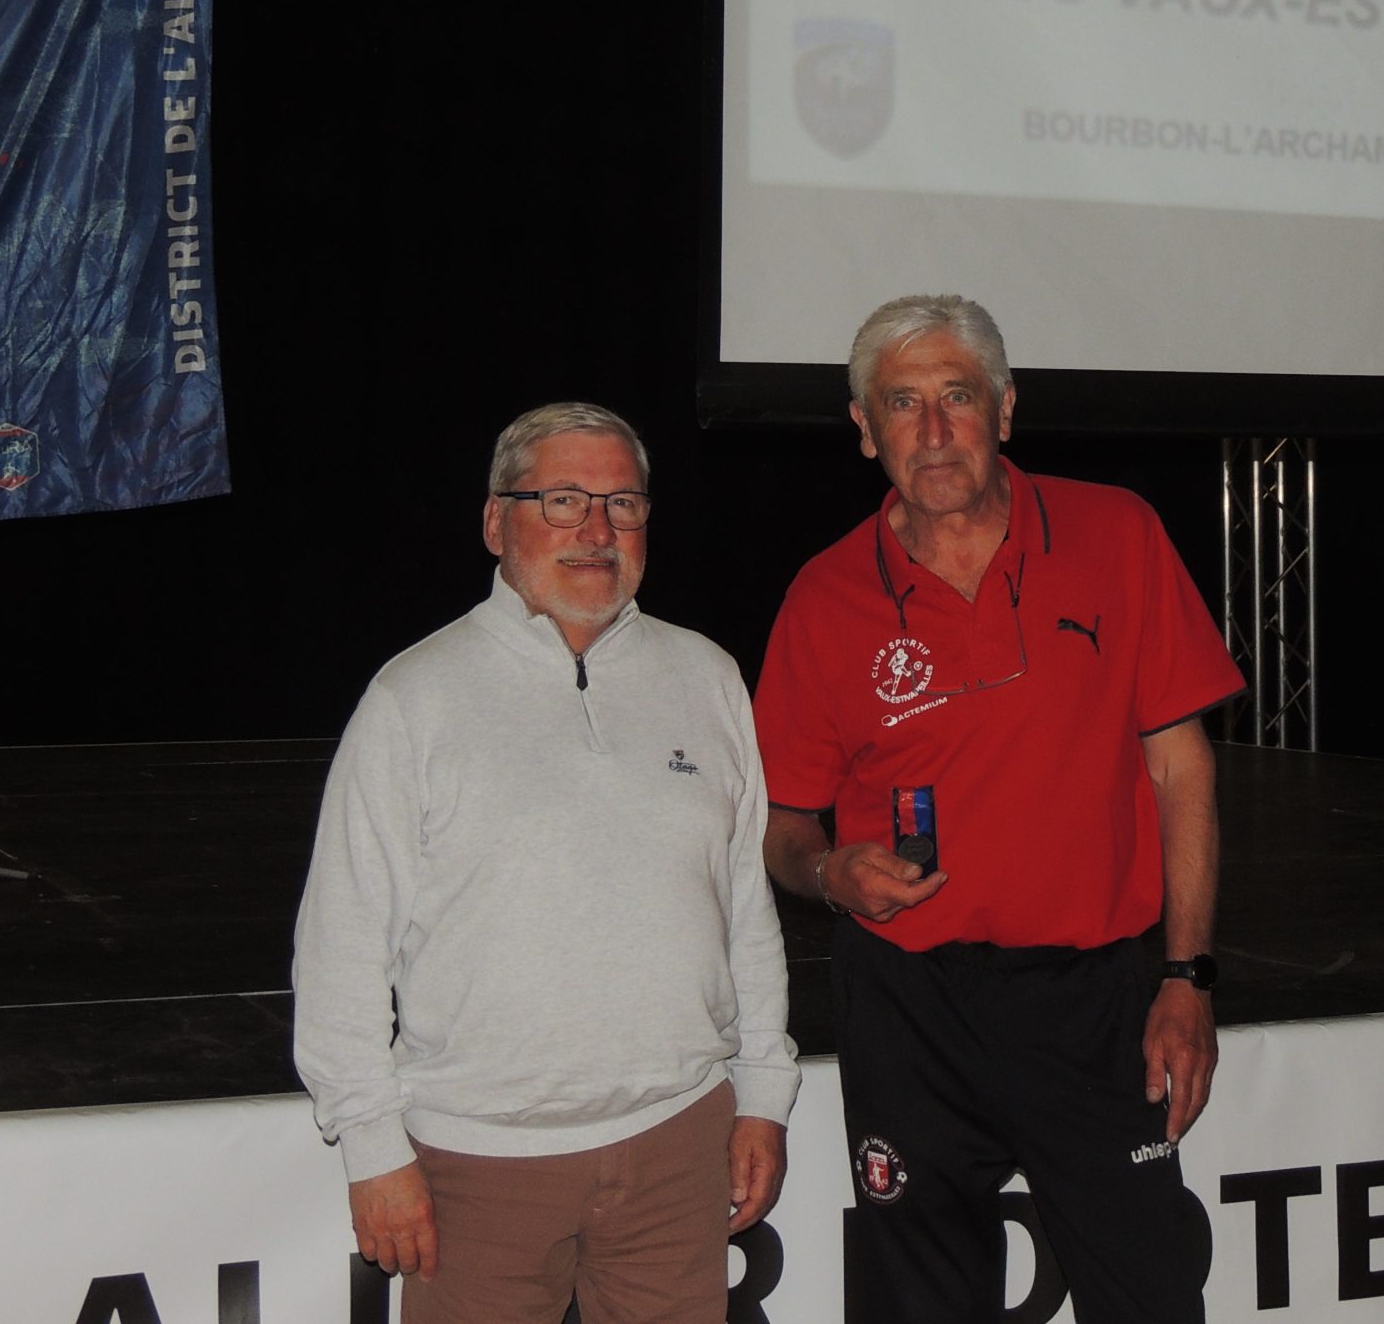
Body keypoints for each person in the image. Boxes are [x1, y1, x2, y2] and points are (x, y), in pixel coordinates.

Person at [753, 295, 1243, 1322]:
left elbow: (1181, 772)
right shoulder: (824, 596)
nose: (933, 431)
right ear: (865, 429)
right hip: (909, 1010)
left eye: (958, 397)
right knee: (920, 1305)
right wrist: (831, 873)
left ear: (1006, 409)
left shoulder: (1117, 533)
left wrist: (1187, 978)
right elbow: (783, 826)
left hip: (1096, 1004)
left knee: (1151, 1299)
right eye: (902, 404)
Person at [293, 402, 796, 1324]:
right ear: (497, 522)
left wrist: (763, 1093)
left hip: (679, 1147)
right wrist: (371, 1147)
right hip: (477, 1168)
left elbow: (744, 909)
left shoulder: (708, 677)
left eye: (622, 504)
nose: (597, 530)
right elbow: (342, 942)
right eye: (562, 500)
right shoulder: (414, 698)